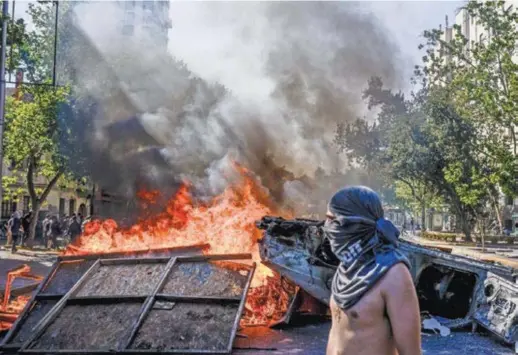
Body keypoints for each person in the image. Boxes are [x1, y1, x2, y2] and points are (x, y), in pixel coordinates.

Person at [324, 186, 421, 355]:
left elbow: (411, 352)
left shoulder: (394, 274)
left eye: (333, 220)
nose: (327, 227)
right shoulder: (346, 266)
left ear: (355, 224)